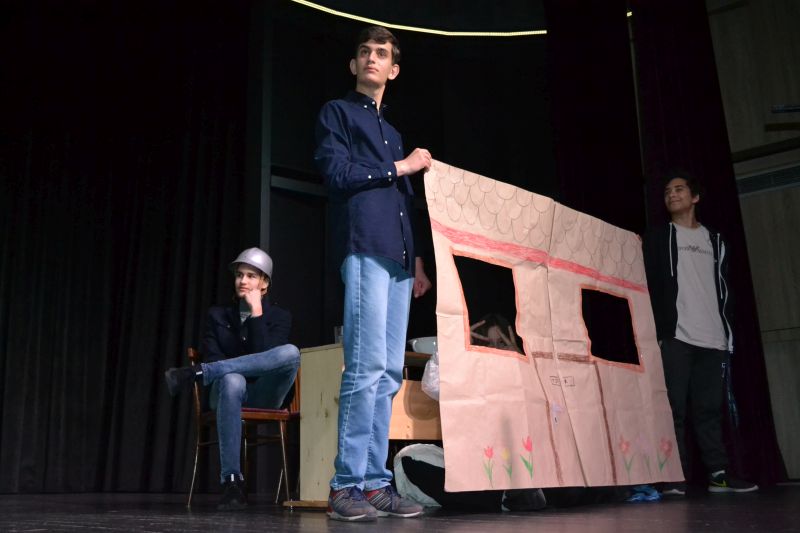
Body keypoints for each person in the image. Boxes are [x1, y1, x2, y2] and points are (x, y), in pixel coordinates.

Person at [314, 25, 432, 522]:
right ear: (353, 64)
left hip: (399, 258)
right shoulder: (337, 113)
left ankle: (374, 482)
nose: (371, 58)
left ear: (393, 69)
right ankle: (345, 485)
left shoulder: (394, 133)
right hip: (364, 246)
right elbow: (338, 174)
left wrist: (417, 260)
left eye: (381, 53)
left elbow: (403, 203)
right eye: (364, 51)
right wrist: (399, 167)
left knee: (387, 373)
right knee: (364, 368)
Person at [643, 173, 758, 495]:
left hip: (713, 338)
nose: (672, 194)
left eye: (679, 189)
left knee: (709, 411)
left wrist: (727, 331)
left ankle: (718, 474)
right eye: (667, 191)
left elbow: (724, 288)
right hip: (677, 337)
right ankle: (674, 477)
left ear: (695, 197)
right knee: (674, 410)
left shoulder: (715, 240)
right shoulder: (659, 238)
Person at [164, 247, 300, 510]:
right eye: (239, 275)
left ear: (265, 283)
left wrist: (257, 314)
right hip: (225, 393)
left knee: (291, 353)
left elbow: (268, 362)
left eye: (251, 276)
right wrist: (231, 369)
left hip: (265, 394)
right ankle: (232, 483)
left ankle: (197, 373)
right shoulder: (218, 315)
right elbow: (214, 355)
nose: (243, 281)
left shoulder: (280, 317)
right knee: (233, 380)